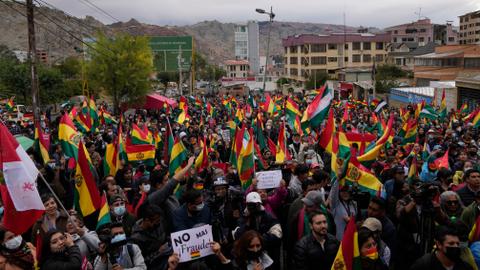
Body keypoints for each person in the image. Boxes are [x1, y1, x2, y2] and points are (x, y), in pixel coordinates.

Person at [233, 192, 282, 270]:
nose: (254, 207)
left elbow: (277, 235)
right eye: (251, 205)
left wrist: (259, 239)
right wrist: (246, 226)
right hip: (248, 257)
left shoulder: (269, 217)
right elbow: (236, 235)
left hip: (268, 255)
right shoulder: (243, 218)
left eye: (256, 204)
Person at [130, 203, 169, 270]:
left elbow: (165, 236)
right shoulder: (136, 238)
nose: (159, 223)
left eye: (159, 220)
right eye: (157, 221)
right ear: (147, 220)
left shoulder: (159, 224)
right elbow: (142, 261)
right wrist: (158, 252)